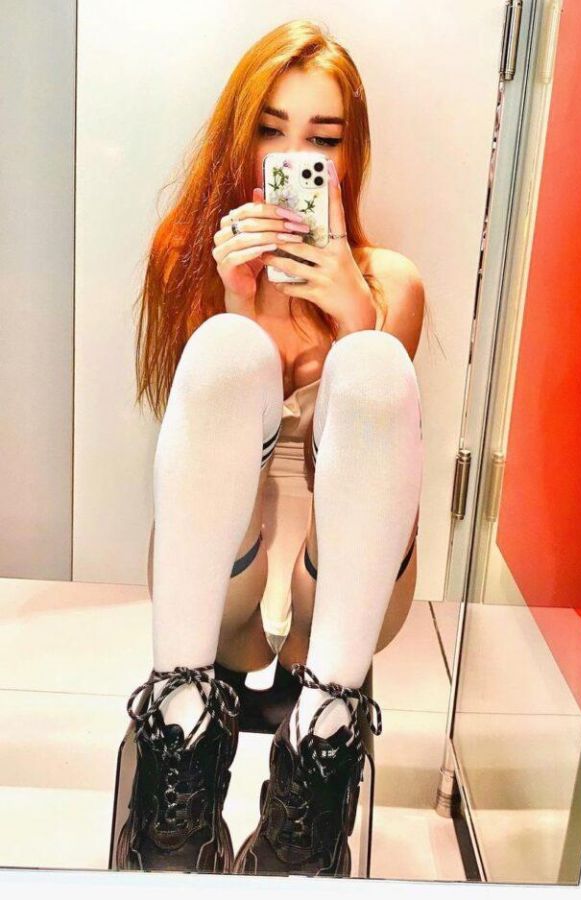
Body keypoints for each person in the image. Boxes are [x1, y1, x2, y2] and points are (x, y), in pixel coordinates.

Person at [114, 19, 427, 878]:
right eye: (272, 130)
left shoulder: (390, 283)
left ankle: (318, 771)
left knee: (375, 367)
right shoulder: (188, 260)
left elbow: (371, 460)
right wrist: (237, 309)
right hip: (224, 565)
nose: (293, 158)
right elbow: (193, 447)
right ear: (240, 139)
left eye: (321, 139)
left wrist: (359, 319)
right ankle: (179, 743)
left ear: (349, 156)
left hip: (345, 571)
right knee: (227, 350)